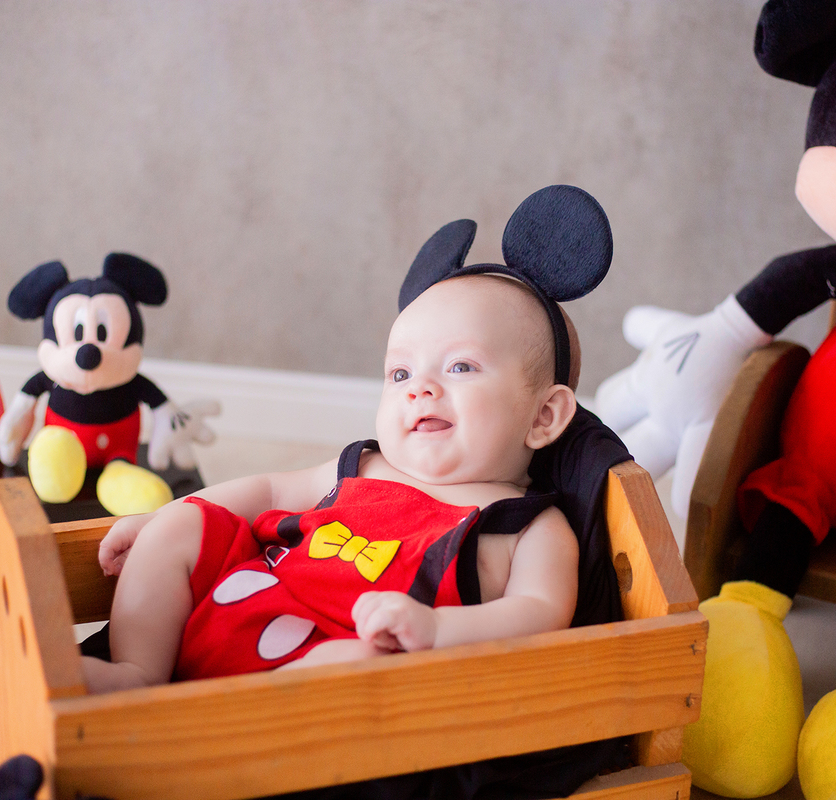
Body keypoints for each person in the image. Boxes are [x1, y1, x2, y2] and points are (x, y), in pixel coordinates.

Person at [82, 272, 584, 692]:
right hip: (236, 604)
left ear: (543, 415)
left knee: (364, 660)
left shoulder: (528, 526)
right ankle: (137, 673)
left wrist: (436, 628)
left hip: (326, 673)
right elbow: (270, 493)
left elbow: (539, 611)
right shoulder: (365, 465)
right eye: (401, 373)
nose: (421, 389)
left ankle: (225, 732)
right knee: (181, 524)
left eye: (461, 366)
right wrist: (160, 518)